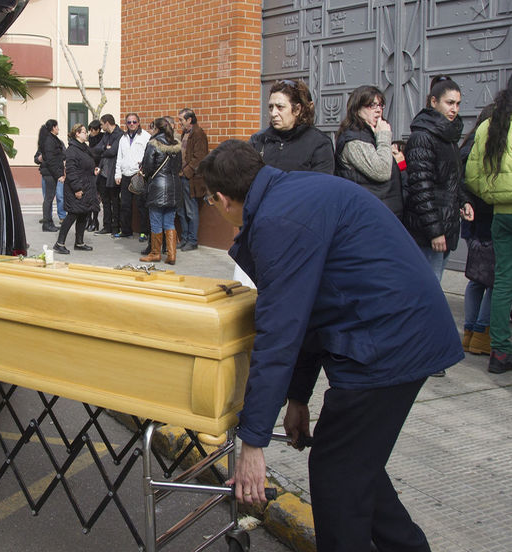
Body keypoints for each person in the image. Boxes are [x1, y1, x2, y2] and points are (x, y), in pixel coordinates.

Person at [198, 139, 462, 552]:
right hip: (397, 330)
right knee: (356, 467)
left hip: (389, 342)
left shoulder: (277, 220)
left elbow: (280, 333)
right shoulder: (293, 193)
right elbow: (308, 313)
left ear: (221, 199)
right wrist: (299, 397)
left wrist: (253, 441)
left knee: (337, 475)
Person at [403, 75, 473, 283]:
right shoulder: (423, 137)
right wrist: (435, 231)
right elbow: (420, 188)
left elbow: (452, 179)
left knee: (432, 287)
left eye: (458, 104)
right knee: (427, 289)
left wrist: (464, 201)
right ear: (434, 102)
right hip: (428, 230)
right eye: (449, 103)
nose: (455, 109)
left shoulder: (448, 136)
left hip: (445, 225)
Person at [465, 77, 512, 374]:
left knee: (503, 282)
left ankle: (500, 354)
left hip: (501, 215)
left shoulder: (489, 125)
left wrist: (491, 194)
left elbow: (471, 174)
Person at [334, 85, 403, 218]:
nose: (378, 110)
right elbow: (381, 171)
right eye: (371, 105)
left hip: (383, 213)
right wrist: (384, 137)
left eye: (380, 105)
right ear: (357, 109)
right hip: (368, 215)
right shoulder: (354, 140)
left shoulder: (371, 134)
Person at [460, 105, 494, 357]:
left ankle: (471, 331)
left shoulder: (466, 145)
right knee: (495, 279)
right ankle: (481, 333)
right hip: (486, 217)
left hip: (472, 219)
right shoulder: (486, 144)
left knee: (476, 279)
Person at [249, 79, 334, 174]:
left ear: (297, 109)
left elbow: (321, 184)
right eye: (271, 107)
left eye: (280, 107)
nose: (273, 113)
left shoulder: (319, 143)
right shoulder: (258, 140)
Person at [140, 117, 183, 264]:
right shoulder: (177, 145)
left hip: (157, 186)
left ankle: (155, 253)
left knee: (156, 221)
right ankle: (171, 255)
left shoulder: (153, 144)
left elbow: (147, 167)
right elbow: (179, 167)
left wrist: (145, 174)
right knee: (170, 222)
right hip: (174, 186)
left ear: (157, 129)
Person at [53, 123, 99, 254]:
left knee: (83, 214)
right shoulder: (72, 150)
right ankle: (59, 243)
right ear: (77, 133)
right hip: (77, 187)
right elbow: (71, 170)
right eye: (84, 131)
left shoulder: (84, 148)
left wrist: (93, 170)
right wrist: (77, 189)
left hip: (87, 185)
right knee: (72, 215)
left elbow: (87, 163)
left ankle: (79, 242)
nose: (86, 133)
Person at [114, 112, 151, 239]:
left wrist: (144, 168)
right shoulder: (123, 138)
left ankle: (144, 232)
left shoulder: (146, 136)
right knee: (125, 205)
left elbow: (149, 155)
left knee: (141, 205)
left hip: (138, 174)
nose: (132, 124)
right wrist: (117, 174)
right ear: (126, 124)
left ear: (138, 123)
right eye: (129, 122)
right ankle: (126, 230)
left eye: (134, 122)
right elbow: (119, 157)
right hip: (125, 175)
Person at [177, 107, 209, 251]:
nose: (180, 123)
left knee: (191, 210)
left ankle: (192, 240)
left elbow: (199, 158)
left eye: (181, 120)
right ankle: (185, 238)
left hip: (191, 179)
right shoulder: (186, 133)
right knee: (182, 210)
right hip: (182, 177)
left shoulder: (198, 134)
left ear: (189, 120)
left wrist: (186, 172)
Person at [95, 114, 122, 235]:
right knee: (105, 201)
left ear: (107, 123)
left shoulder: (119, 134)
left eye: (101, 124)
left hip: (113, 173)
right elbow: (97, 148)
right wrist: (106, 149)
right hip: (103, 173)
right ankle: (107, 226)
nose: (100, 127)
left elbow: (113, 152)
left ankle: (116, 227)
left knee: (115, 201)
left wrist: (105, 150)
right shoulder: (106, 135)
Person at [38, 119, 66, 232]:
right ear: (53, 127)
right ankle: (47, 223)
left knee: (49, 198)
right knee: (49, 199)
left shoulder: (52, 139)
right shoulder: (49, 140)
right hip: (50, 174)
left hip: (51, 173)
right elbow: (51, 160)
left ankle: (49, 222)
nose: (58, 128)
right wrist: (58, 174)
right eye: (57, 126)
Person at [87, 119, 105, 232]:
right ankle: (88, 220)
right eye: (90, 130)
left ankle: (95, 220)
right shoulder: (89, 139)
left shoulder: (103, 138)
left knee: (96, 198)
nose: (91, 132)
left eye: (93, 130)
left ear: (98, 129)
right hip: (90, 170)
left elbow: (99, 153)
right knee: (88, 197)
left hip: (99, 170)